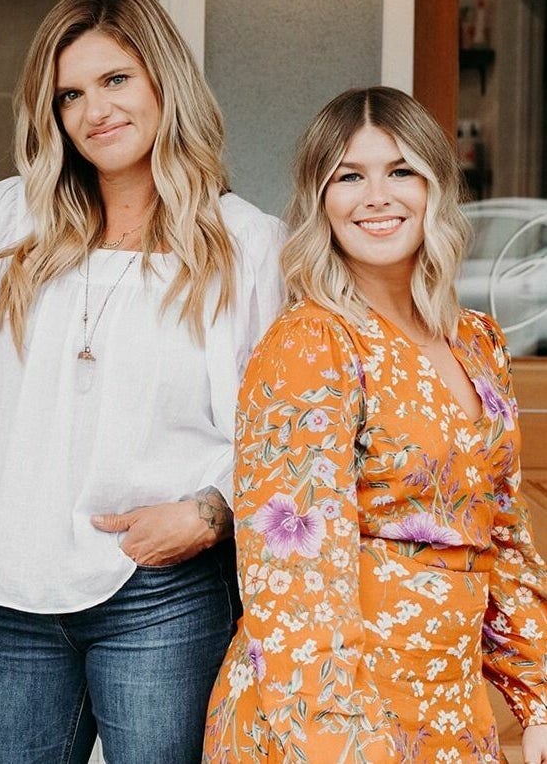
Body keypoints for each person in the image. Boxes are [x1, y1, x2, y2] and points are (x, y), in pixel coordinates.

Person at [0, 0, 284, 764]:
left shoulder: (245, 241)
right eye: (70, 95)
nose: (95, 111)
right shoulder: (9, 218)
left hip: (161, 593)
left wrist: (210, 512)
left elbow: (283, 429)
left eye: (116, 80)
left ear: (165, 80)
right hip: (10, 590)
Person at [204, 87, 547, 763]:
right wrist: (340, 743)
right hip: (330, 720)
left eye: (401, 171)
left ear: (437, 189)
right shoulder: (309, 343)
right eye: (349, 176)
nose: (376, 197)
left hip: (450, 713)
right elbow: (290, 576)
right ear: (320, 199)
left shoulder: (477, 341)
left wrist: (538, 694)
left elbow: (502, 532)